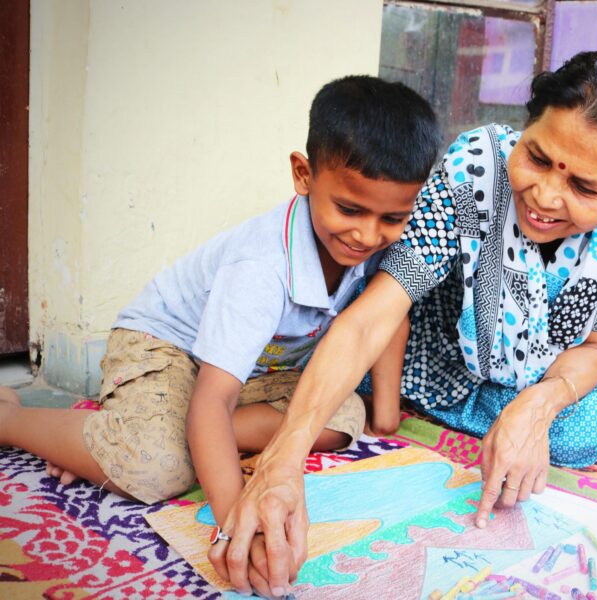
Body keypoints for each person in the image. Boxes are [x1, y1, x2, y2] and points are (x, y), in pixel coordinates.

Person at [207, 49, 597, 597]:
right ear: (524, 127)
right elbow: (374, 315)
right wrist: (284, 461)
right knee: (343, 382)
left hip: (558, 373)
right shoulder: (474, 165)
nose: (546, 197)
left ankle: (508, 416)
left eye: (585, 189)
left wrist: (537, 406)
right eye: (538, 158)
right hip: (446, 361)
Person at [0, 74, 441, 596]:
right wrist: (239, 522)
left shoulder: (383, 243)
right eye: (349, 209)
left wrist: (387, 416)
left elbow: (388, 315)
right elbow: (213, 396)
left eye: (392, 217)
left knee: (345, 417)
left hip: (257, 369)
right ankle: (15, 419)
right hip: (167, 348)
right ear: (303, 175)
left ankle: (161, 434)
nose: (369, 235)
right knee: (155, 467)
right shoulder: (261, 266)